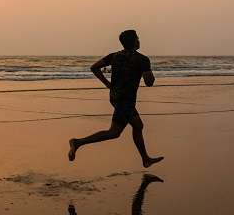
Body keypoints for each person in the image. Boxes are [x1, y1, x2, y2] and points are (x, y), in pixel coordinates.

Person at [69, 30, 164, 168]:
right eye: (138, 38)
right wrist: (149, 73)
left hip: (115, 97)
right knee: (114, 132)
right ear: (134, 41)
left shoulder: (114, 56)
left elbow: (94, 67)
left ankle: (145, 159)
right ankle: (77, 142)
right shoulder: (142, 59)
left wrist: (108, 84)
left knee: (138, 125)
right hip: (126, 100)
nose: (139, 40)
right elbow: (149, 83)